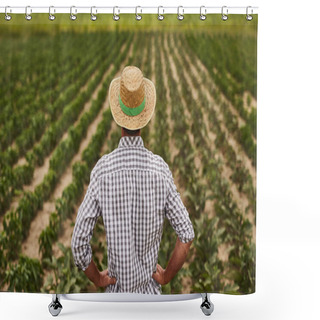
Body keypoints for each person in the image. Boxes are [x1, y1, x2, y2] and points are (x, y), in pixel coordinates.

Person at [71, 66, 194, 294]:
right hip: (150, 298)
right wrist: (166, 276)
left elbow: (78, 243)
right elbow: (186, 234)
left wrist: (98, 278)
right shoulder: (160, 170)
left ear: (119, 118)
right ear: (144, 117)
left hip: (116, 297)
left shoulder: (103, 171)